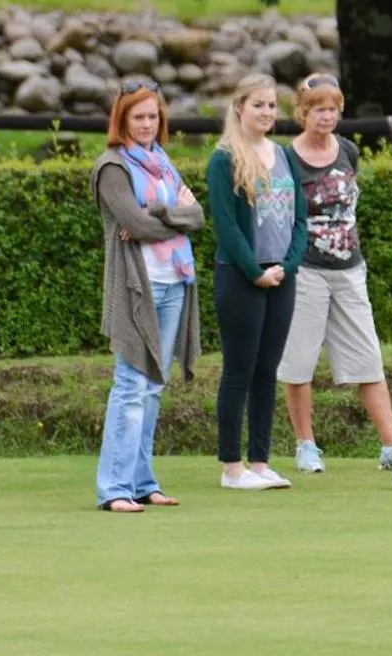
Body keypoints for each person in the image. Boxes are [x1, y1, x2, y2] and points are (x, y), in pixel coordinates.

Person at [277, 74, 392, 474]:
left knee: (368, 358)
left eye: (332, 109)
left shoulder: (347, 150)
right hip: (306, 270)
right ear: (302, 113)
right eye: (318, 110)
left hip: (349, 269)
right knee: (299, 361)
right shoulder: (286, 159)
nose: (326, 116)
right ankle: (306, 445)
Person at [88, 80, 204, 512]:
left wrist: (161, 214)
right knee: (131, 384)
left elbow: (199, 215)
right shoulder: (112, 168)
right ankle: (114, 489)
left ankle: (141, 482)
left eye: (153, 116)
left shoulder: (163, 162)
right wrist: (175, 215)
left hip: (174, 281)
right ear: (122, 120)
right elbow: (136, 227)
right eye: (138, 117)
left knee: (155, 385)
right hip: (139, 285)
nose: (147, 124)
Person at [207, 73, 308, 491]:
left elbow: (300, 219)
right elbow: (226, 227)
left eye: (271, 106)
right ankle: (232, 467)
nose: (267, 112)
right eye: (258, 105)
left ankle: (261, 462)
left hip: (281, 276)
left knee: (267, 372)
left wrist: (288, 264)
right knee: (239, 371)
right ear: (239, 109)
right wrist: (255, 271)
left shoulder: (283, 155)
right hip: (241, 277)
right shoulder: (224, 158)